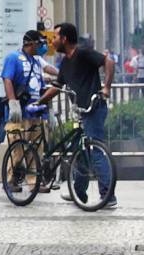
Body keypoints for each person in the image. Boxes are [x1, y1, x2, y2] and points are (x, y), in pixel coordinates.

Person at [38, 22, 117, 208]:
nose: (53, 41)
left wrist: (106, 87)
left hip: (94, 109)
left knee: (96, 151)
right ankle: (79, 193)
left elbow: (109, 62)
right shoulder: (65, 62)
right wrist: (39, 102)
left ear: (64, 39)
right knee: (80, 152)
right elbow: (57, 86)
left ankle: (108, 196)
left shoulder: (83, 53)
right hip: (80, 111)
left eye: (55, 37)